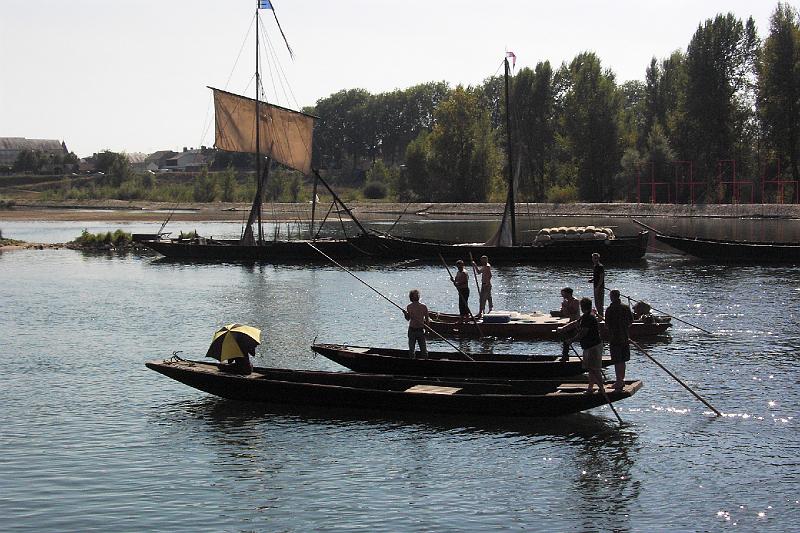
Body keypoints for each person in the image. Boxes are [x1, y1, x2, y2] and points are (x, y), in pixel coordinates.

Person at [567, 297, 604, 393]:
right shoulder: (585, 317)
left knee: (595, 369)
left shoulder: (589, 317)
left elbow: (583, 332)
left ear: (582, 307)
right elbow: (576, 322)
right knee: (590, 368)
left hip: (593, 346)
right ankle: (590, 388)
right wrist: (564, 328)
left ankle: (601, 388)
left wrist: (572, 340)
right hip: (588, 346)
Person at [605, 289, 633, 390]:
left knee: (617, 360)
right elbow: (631, 321)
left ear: (612, 296)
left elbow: (607, 325)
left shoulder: (610, 309)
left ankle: (619, 381)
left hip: (615, 338)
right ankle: (621, 380)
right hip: (625, 337)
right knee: (623, 360)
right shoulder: (626, 307)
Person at [555, 287, 581, 361]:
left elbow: (574, 311)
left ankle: (565, 356)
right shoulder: (566, 301)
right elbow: (565, 313)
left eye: (563, 293)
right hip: (570, 322)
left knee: (566, 336)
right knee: (564, 336)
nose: (562, 295)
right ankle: (565, 355)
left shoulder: (575, 301)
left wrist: (565, 306)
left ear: (568, 293)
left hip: (576, 323)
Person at [404, 289, 429, 358]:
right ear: (411, 297)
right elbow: (408, 319)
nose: (417, 296)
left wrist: (427, 330)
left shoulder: (423, 306)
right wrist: (405, 314)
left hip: (420, 330)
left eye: (417, 295)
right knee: (411, 350)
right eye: (415, 295)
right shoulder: (409, 306)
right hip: (412, 330)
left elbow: (427, 319)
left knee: (424, 350)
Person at [588, 253, 605, 319]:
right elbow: (596, 276)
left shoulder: (600, 266)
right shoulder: (595, 266)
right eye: (593, 258)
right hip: (595, 286)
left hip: (599, 287)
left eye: (596, 258)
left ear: (598, 258)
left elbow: (601, 277)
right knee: (596, 302)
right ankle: (599, 315)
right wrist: (592, 280)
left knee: (600, 302)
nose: (594, 259)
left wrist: (598, 287)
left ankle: (601, 316)